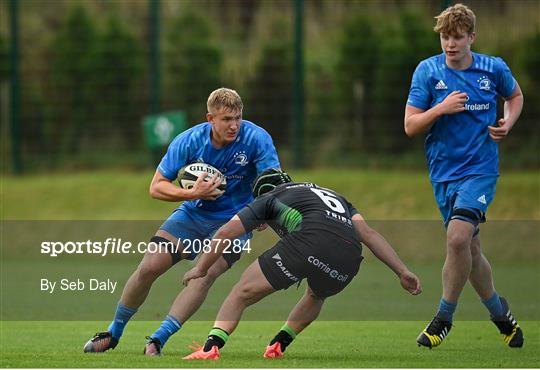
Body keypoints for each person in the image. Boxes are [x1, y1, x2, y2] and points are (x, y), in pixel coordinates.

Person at [83, 88, 281, 355]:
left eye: (237, 117)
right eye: (226, 119)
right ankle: (114, 332)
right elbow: (156, 187)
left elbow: (272, 182)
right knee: (149, 266)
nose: (234, 125)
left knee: (204, 273)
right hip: (193, 213)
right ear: (210, 118)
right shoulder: (189, 141)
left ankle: (157, 339)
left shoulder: (257, 138)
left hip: (235, 221)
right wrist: (192, 193)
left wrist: (263, 211)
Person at [180, 168, 422, 360]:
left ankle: (211, 347)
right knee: (316, 295)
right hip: (349, 259)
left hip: (308, 242)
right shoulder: (335, 197)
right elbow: (368, 234)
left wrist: (201, 268)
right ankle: (279, 344)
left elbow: (225, 234)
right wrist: (402, 271)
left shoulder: (269, 197)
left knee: (240, 293)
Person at [404, 4, 524, 348]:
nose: (450, 44)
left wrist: (507, 122)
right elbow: (410, 125)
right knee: (470, 250)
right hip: (443, 174)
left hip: (481, 170)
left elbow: (514, 96)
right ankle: (501, 314)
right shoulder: (427, 71)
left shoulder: (493, 68)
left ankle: (443, 318)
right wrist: (441, 108)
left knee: (457, 239)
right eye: (445, 36)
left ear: (472, 37)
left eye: (457, 37)